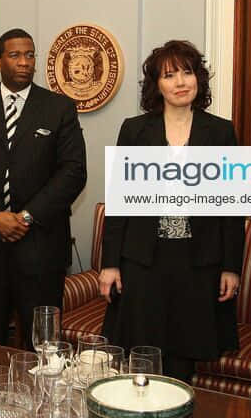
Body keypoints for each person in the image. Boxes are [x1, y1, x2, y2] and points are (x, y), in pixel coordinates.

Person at [98, 39, 243, 383]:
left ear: (199, 79)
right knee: (141, 362)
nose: (180, 82)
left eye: (187, 72)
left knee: (181, 367)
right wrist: (110, 264)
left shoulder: (221, 132)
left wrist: (231, 267)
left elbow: (232, 207)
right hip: (144, 262)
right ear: (156, 85)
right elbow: (119, 201)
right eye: (169, 75)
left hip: (197, 265)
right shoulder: (135, 130)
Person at [0, 28, 87, 348]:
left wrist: (25, 217)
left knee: (43, 345)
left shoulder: (58, 108)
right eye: (15, 55)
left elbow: (73, 172)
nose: (24, 62)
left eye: (29, 55)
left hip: (40, 246)